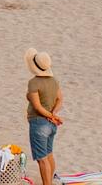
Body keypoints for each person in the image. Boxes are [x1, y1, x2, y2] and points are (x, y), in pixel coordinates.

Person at [24, 49, 64, 185]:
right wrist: (53, 115)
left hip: (38, 123)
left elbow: (37, 107)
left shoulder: (33, 83)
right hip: (50, 125)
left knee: (42, 159)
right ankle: (50, 182)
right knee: (49, 154)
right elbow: (60, 99)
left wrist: (51, 116)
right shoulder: (54, 81)